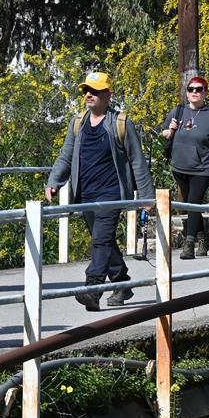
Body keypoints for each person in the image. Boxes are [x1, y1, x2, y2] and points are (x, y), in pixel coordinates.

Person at [46, 72, 154, 311]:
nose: (88, 95)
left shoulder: (121, 123)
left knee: (101, 240)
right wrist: (54, 181)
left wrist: (147, 198)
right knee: (102, 240)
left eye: (94, 91)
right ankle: (122, 283)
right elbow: (66, 155)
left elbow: (137, 160)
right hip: (86, 194)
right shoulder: (78, 123)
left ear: (108, 95)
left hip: (111, 192)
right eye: (86, 91)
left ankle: (92, 288)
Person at [158, 74, 209, 260]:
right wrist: (170, 130)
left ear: (205, 92)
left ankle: (189, 243)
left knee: (193, 203)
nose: (195, 92)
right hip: (180, 167)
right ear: (187, 93)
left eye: (199, 89)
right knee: (191, 204)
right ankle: (204, 238)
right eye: (191, 89)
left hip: (202, 168)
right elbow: (165, 135)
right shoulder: (178, 111)